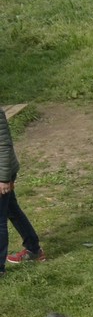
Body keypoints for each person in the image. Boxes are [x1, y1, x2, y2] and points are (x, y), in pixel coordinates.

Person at [2, 109, 45, 268]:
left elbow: (3, 146)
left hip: (2, 175)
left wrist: (3, 179)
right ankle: (33, 249)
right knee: (11, 209)